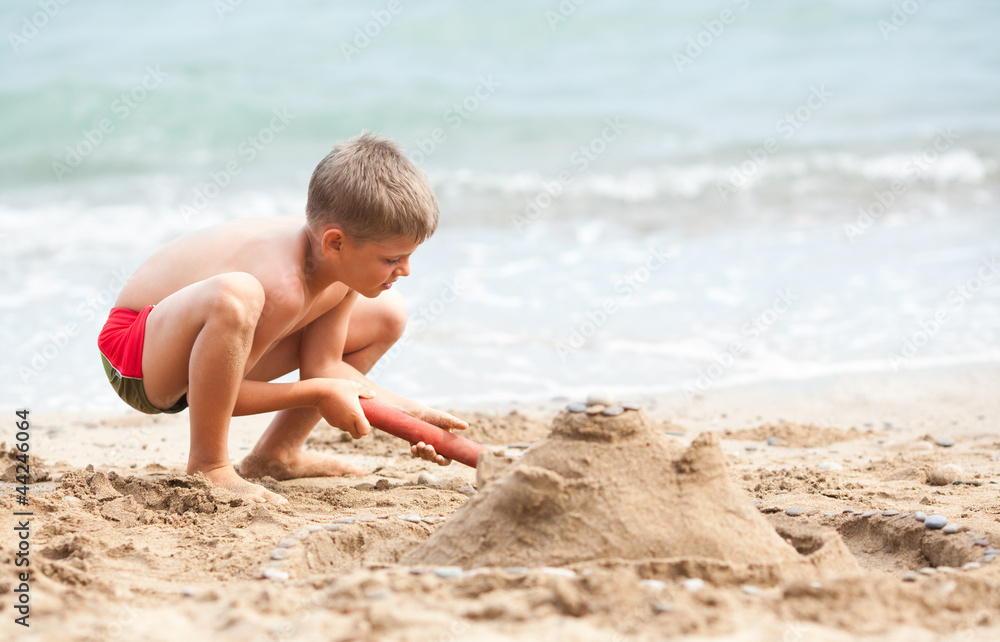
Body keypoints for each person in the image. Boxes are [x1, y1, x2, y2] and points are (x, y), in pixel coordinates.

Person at [97, 132, 467, 505]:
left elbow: (324, 367)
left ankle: (278, 453)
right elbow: (218, 394)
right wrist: (320, 394)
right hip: (134, 355)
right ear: (335, 243)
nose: (405, 270)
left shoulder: (336, 262)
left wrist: (413, 415)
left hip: (190, 345)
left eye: (408, 257)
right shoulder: (281, 285)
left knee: (388, 314)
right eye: (391, 259)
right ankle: (209, 464)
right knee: (237, 294)